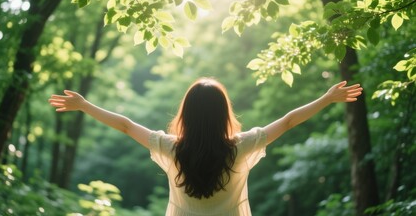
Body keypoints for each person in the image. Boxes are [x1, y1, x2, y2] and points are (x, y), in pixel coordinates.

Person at [48, 78, 363, 216]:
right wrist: (326, 99)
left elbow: (127, 125)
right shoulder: (241, 146)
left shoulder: (171, 148)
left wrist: (86, 105)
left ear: (186, 114)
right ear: (224, 113)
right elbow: (289, 121)